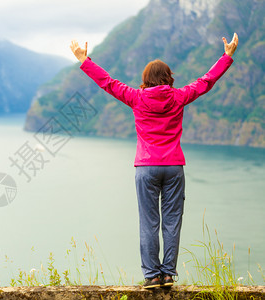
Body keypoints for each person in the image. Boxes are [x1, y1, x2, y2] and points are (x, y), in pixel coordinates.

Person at [70, 33, 238, 288]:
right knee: (172, 222)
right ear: (169, 78)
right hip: (173, 166)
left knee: (149, 222)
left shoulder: (136, 98)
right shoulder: (179, 96)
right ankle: (168, 274)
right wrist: (226, 57)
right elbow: (206, 82)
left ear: (145, 80)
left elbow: (108, 83)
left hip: (146, 167)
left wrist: (84, 61)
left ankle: (151, 276)